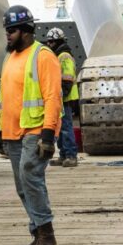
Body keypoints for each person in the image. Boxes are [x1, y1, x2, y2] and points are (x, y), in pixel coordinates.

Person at [0, 5, 62, 245]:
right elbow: (4, 98)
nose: (8, 35)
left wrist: (48, 134)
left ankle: (47, 235)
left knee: (30, 177)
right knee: (22, 186)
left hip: (35, 129)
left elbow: (53, 97)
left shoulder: (43, 56)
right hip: (11, 132)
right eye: (7, 30)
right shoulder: (9, 58)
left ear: (27, 31)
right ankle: (37, 235)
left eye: (12, 30)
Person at [44, 27, 79, 167]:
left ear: (58, 41)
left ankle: (71, 155)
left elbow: (67, 78)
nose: (49, 45)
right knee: (60, 127)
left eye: (51, 42)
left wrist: (61, 94)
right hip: (59, 98)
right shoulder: (58, 55)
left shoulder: (64, 56)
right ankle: (64, 154)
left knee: (66, 127)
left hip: (64, 98)